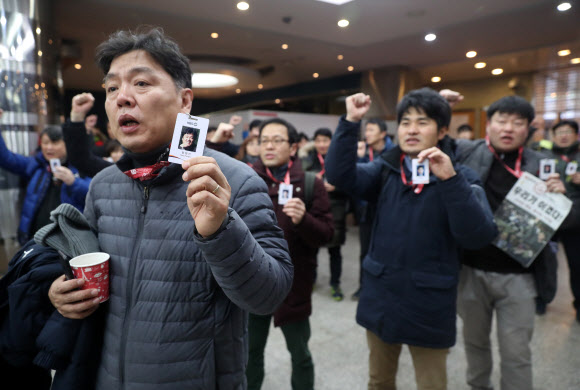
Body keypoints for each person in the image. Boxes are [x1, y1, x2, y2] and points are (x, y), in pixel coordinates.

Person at [47, 27, 293, 390]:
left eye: (142, 83)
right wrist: (62, 293)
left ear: (185, 101)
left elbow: (269, 296)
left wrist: (220, 230)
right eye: (112, 88)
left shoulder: (233, 181)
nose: (122, 98)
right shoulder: (104, 186)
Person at [325, 88, 497, 390]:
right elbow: (340, 175)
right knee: (379, 381)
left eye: (423, 122)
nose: (412, 129)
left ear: (442, 130)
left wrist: (450, 180)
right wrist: (351, 121)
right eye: (405, 122)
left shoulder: (461, 176)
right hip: (382, 295)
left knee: (430, 383)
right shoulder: (387, 170)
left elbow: (477, 235)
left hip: (428, 301)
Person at [455, 95, 565, 390]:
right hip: (471, 270)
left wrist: (560, 196)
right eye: (501, 120)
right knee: (474, 343)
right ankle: (478, 386)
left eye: (518, 123)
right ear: (488, 124)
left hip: (520, 277)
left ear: (529, 129)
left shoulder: (544, 164)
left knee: (516, 352)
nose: (508, 128)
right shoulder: (467, 152)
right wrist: (441, 104)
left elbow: (564, 220)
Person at [246, 117, 334, 390]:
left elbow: (327, 234)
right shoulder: (245, 178)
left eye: (277, 140)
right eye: (264, 141)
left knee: (300, 355)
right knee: (249, 357)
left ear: (293, 147)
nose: (269, 146)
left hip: (294, 284)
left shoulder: (310, 183)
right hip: (251, 283)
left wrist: (303, 219)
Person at [0, 111, 91, 246]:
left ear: (67, 144)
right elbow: (5, 159)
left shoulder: (82, 166)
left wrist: (73, 182)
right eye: (45, 142)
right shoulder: (36, 165)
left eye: (55, 143)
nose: (49, 148)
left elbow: (94, 194)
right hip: (35, 239)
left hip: (69, 242)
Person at [539, 120, 580, 322]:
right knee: (544, 262)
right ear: (553, 136)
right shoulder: (542, 156)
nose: (564, 135)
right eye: (559, 132)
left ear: (576, 135)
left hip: (575, 220)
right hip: (548, 218)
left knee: (577, 264)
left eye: (568, 132)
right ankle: (541, 299)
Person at [302, 127, 349, 301]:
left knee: (335, 251)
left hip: (335, 208)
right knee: (311, 249)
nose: (322, 144)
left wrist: (337, 187)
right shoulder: (308, 160)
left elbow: (351, 185)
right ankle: (311, 280)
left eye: (325, 140)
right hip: (314, 208)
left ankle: (335, 284)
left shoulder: (339, 161)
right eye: (318, 140)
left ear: (332, 141)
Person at [352, 118, 394, 300]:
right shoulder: (364, 151)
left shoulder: (393, 153)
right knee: (365, 251)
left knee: (388, 250)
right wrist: (359, 157)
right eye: (366, 130)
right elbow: (357, 179)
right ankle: (364, 287)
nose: (367, 134)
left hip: (389, 210)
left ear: (383, 133)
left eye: (371, 130)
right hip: (366, 210)